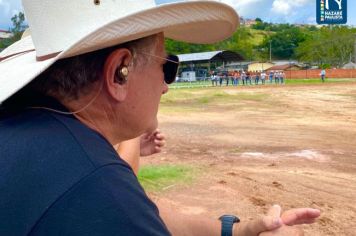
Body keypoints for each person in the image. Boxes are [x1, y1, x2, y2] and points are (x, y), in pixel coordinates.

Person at [0, 0, 320, 235]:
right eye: (167, 66)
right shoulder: (98, 190)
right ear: (119, 73)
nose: (166, 86)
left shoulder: (23, 126)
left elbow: (141, 208)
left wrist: (239, 230)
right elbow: (117, 208)